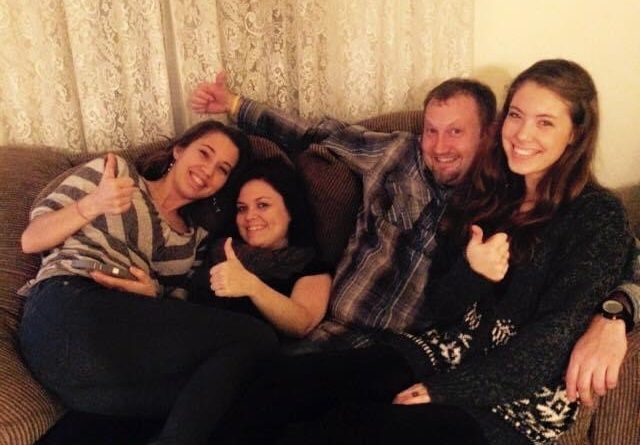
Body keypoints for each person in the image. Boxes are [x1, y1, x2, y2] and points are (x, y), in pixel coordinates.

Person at [210, 59, 634, 445]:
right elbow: (442, 304)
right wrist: (473, 272)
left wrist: (617, 311)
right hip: (441, 350)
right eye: (517, 116)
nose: (523, 135)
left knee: (338, 432)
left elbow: (548, 345)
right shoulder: (492, 193)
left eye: (545, 123)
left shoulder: (596, 215)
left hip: (515, 402)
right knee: (276, 383)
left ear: (575, 133)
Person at [17, 120, 279, 445]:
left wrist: (151, 295)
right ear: (179, 150)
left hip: (104, 365)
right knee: (256, 337)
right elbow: (31, 240)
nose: (208, 171)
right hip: (66, 308)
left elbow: (177, 323)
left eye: (222, 169)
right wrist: (94, 203)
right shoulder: (116, 174)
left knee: (226, 397)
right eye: (204, 153)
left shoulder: (194, 239)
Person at [190, 159, 332, 338]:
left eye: (263, 205)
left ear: (290, 211)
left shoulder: (310, 266)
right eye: (242, 208)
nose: (249, 216)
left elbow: (301, 324)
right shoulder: (219, 248)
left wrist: (252, 286)